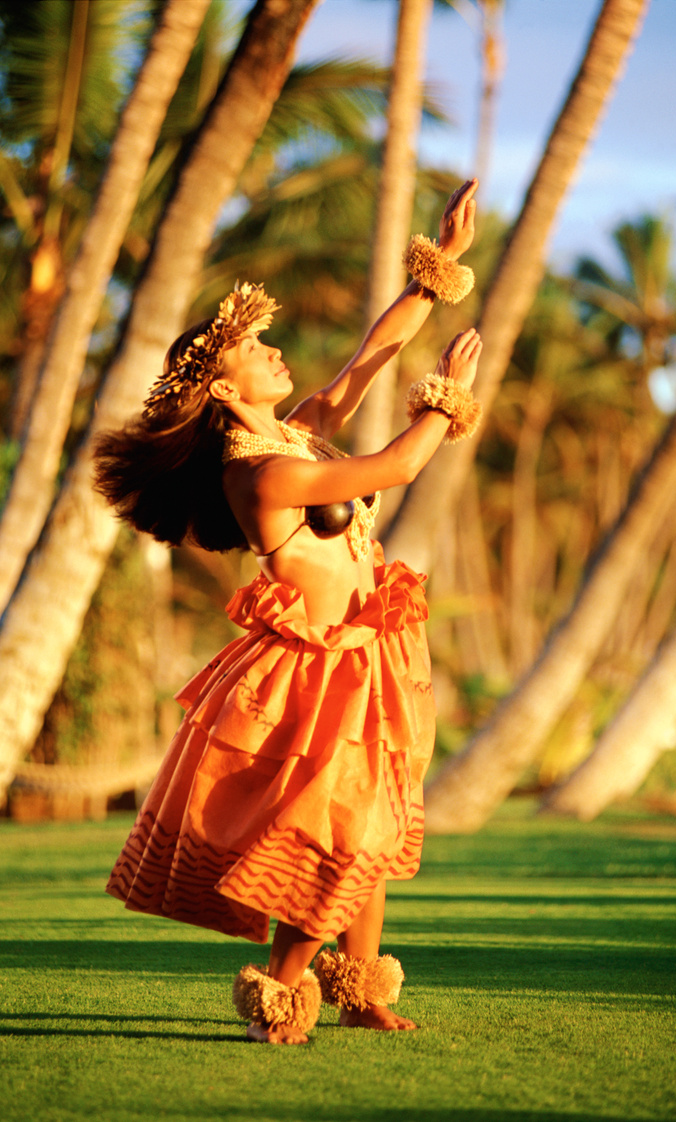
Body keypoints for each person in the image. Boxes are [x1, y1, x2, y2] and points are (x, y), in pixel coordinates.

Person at [93, 179, 482, 1045]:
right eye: (256, 351)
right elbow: (395, 468)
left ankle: (361, 988)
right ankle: (282, 988)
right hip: (315, 670)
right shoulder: (263, 476)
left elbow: (364, 359)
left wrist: (439, 267)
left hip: (367, 650)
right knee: (342, 831)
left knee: (373, 822)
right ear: (226, 392)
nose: (275, 353)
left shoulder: (294, 435)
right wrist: (446, 394)